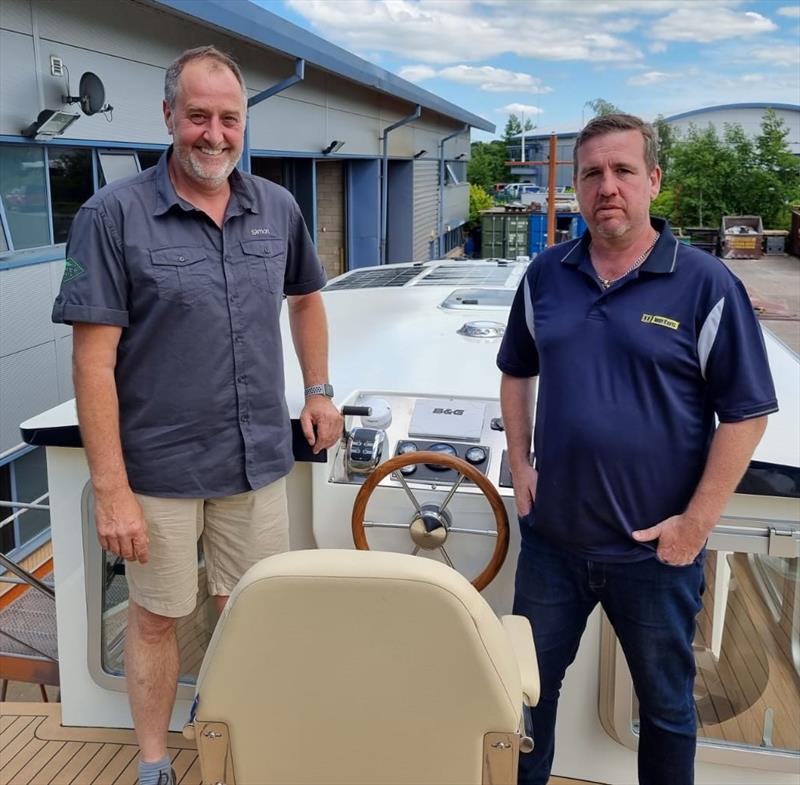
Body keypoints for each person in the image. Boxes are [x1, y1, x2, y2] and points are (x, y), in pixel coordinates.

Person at [52, 46, 342, 785]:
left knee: (251, 612)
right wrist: (110, 490)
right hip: (161, 469)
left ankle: (241, 745)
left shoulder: (276, 207)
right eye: (198, 116)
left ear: (244, 123)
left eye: (229, 118)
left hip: (255, 464)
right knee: (155, 617)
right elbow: (92, 363)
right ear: (169, 116)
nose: (213, 134)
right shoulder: (110, 216)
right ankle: (155, 765)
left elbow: (306, 298)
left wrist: (318, 388)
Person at [496, 114, 777, 785]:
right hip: (553, 546)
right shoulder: (545, 276)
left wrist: (696, 524)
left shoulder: (707, 285)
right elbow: (516, 370)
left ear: (653, 180)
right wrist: (521, 463)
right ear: (576, 188)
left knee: (668, 710)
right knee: (525, 701)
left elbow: (747, 414)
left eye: (623, 170)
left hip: (657, 552)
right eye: (591, 173)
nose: (607, 186)